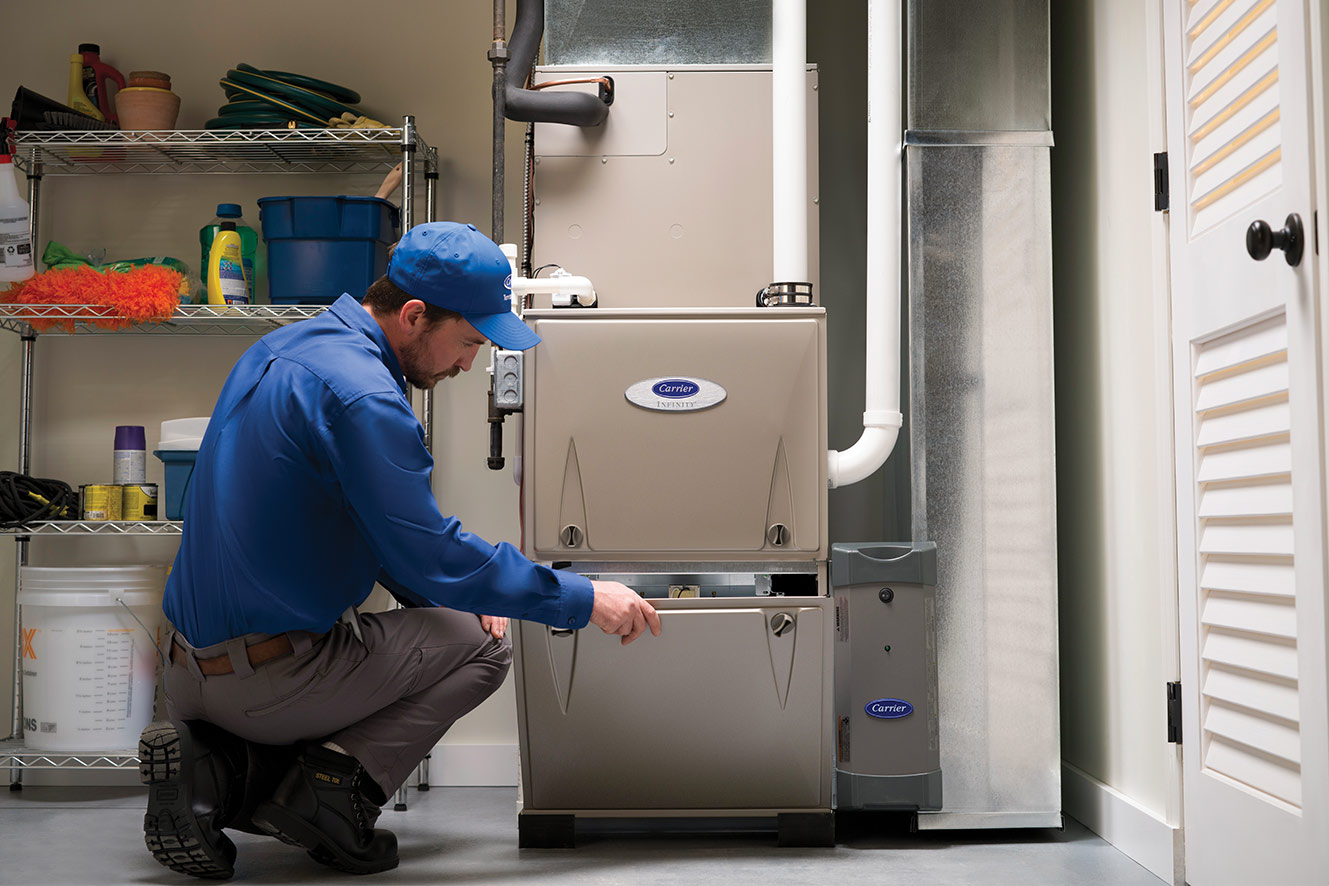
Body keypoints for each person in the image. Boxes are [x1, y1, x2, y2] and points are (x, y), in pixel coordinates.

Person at [141, 222, 660, 879]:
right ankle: (327, 798)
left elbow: (371, 532)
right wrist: (584, 599)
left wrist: (446, 592)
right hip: (267, 678)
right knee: (484, 646)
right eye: (469, 342)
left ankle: (215, 768)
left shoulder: (281, 348)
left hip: (185, 671)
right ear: (414, 316)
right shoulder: (367, 398)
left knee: (453, 615)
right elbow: (434, 556)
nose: (470, 363)